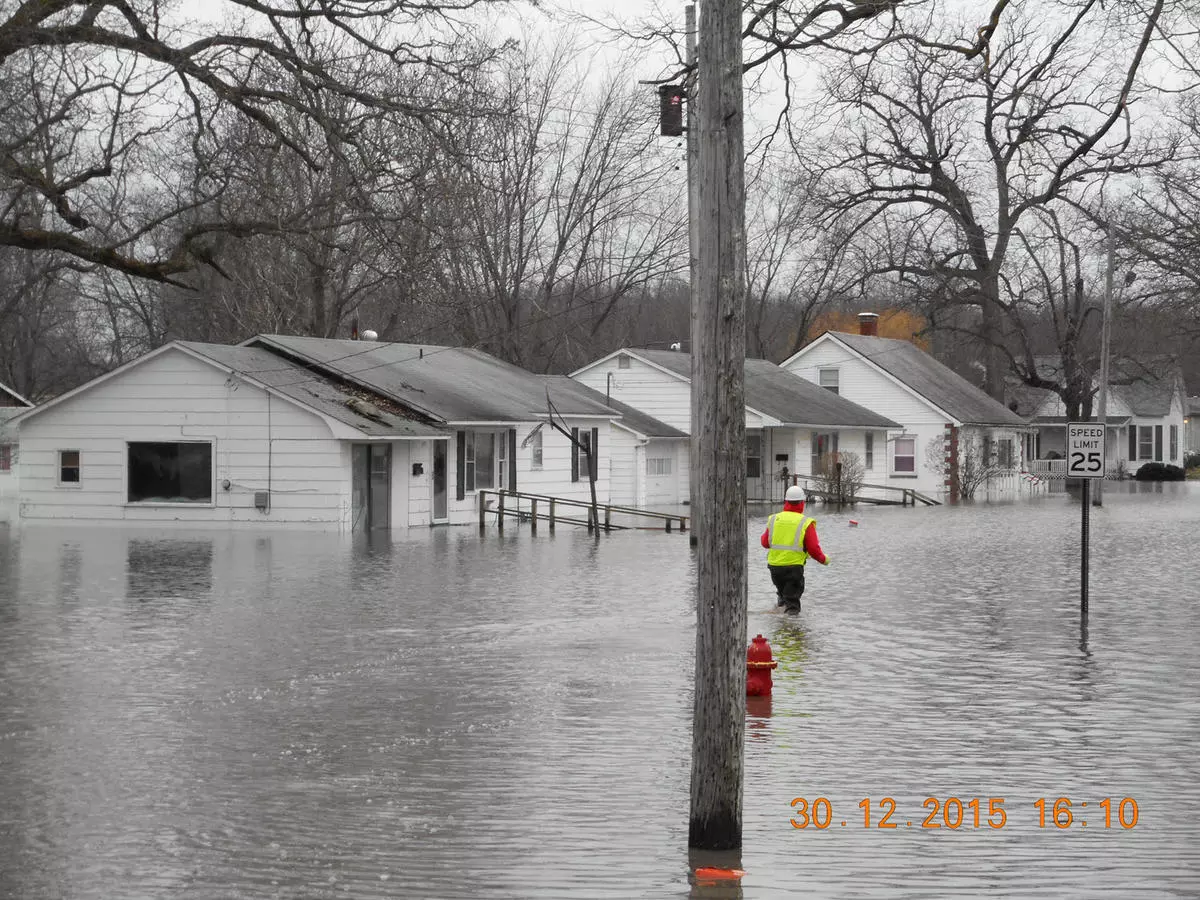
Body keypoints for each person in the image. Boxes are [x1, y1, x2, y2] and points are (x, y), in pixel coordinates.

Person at [761, 485, 829, 613]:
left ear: (786, 502)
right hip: (793, 569)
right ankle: (791, 630)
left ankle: (779, 627)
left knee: (782, 597)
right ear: (802, 503)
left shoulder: (774, 519)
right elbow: (813, 549)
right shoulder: (805, 522)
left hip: (774, 569)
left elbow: (765, 543)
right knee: (793, 604)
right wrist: (825, 560)